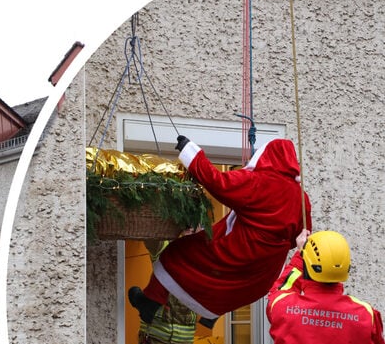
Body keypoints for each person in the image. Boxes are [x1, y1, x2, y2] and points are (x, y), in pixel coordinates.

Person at [128, 136, 312, 328]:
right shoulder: (302, 198)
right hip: (265, 270)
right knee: (237, 287)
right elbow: (299, 237)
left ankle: (150, 301)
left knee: (177, 255)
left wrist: (190, 152)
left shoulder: (257, 182)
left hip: (236, 252)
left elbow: (217, 182)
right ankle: (210, 314)